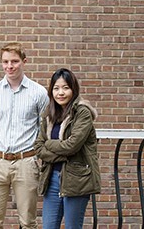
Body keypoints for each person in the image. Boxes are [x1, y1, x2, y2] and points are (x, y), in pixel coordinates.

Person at [0, 42, 48, 229]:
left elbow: (42, 128)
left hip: (26, 162)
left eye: (14, 61)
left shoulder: (39, 93)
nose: (9, 66)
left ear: (24, 62)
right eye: (5, 62)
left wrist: (37, 157)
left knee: (28, 222)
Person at [34, 68, 100, 229]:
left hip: (76, 179)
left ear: (73, 89)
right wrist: (60, 152)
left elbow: (72, 146)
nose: (60, 93)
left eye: (65, 88)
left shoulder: (82, 112)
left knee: (72, 227)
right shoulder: (50, 114)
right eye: (56, 88)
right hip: (52, 178)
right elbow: (38, 146)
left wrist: (49, 144)